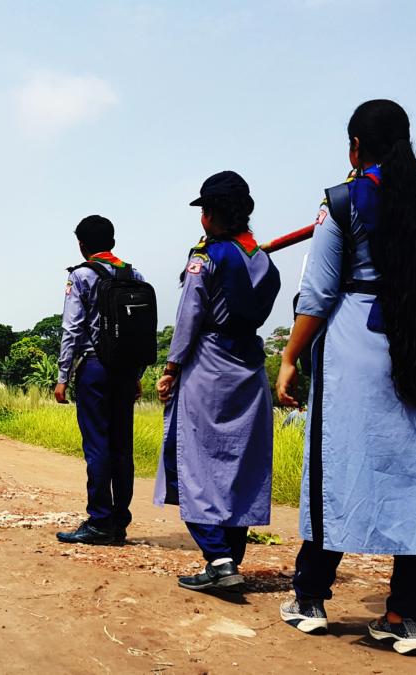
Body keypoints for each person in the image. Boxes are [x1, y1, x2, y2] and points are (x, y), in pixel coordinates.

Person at [276, 99, 416, 656]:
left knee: (336, 468)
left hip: (355, 347)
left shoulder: (341, 201)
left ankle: (310, 599)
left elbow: (317, 293)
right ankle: (405, 617)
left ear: (356, 147)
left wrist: (290, 356)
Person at [153, 171, 281, 592]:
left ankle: (218, 558)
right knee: (240, 467)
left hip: (207, 365)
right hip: (249, 367)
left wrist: (171, 367)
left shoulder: (204, 257)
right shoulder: (265, 260)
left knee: (192, 462)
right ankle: (231, 558)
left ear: (210, 215)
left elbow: (189, 316)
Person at [55, 215, 145, 546]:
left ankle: (99, 520)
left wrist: (63, 375)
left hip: (94, 369)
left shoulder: (80, 276)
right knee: (122, 446)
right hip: (125, 370)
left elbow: (72, 328)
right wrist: (137, 374)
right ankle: (119, 521)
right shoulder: (133, 273)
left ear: (81, 245)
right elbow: (139, 329)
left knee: (97, 445)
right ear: (113, 242)